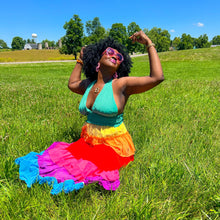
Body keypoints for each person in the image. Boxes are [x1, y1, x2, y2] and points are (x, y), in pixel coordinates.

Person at [15, 31, 164, 194]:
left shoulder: (121, 84)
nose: (115, 55)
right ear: (97, 59)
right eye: (109, 52)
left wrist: (149, 43)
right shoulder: (89, 84)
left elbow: (156, 77)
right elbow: (72, 84)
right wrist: (81, 59)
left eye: (119, 57)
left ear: (120, 66)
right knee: (60, 159)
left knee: (85, 167)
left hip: (113, 144)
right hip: (88, 140)